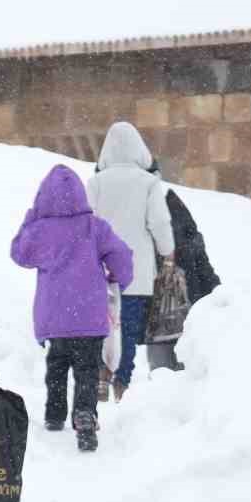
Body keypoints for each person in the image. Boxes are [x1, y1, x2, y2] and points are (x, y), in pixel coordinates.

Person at [10, 164, 134, 452]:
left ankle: (54, 414)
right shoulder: (94, 227)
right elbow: (121, 255)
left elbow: (19, 253)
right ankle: (85, 414)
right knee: (87, 369)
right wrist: (118, 277)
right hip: (88, 315)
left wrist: (32, 217)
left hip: (54, 317)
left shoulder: (40, 229)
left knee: (56, 365)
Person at [86, 121, 175, 401]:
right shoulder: (148, 183)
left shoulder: (96, 183)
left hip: (102, 268)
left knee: (102, 324)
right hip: (136, 271)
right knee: (129, 326)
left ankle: (101, 372)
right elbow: (159, 223)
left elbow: (86, 223)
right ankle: (122, 382)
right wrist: (167, 251)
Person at [146, 189, 222, 372]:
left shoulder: (147, 221)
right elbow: (204, 268)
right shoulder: (179, 216)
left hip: (163, 320)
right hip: (188, 315)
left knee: (164, 377)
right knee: (184, 376)